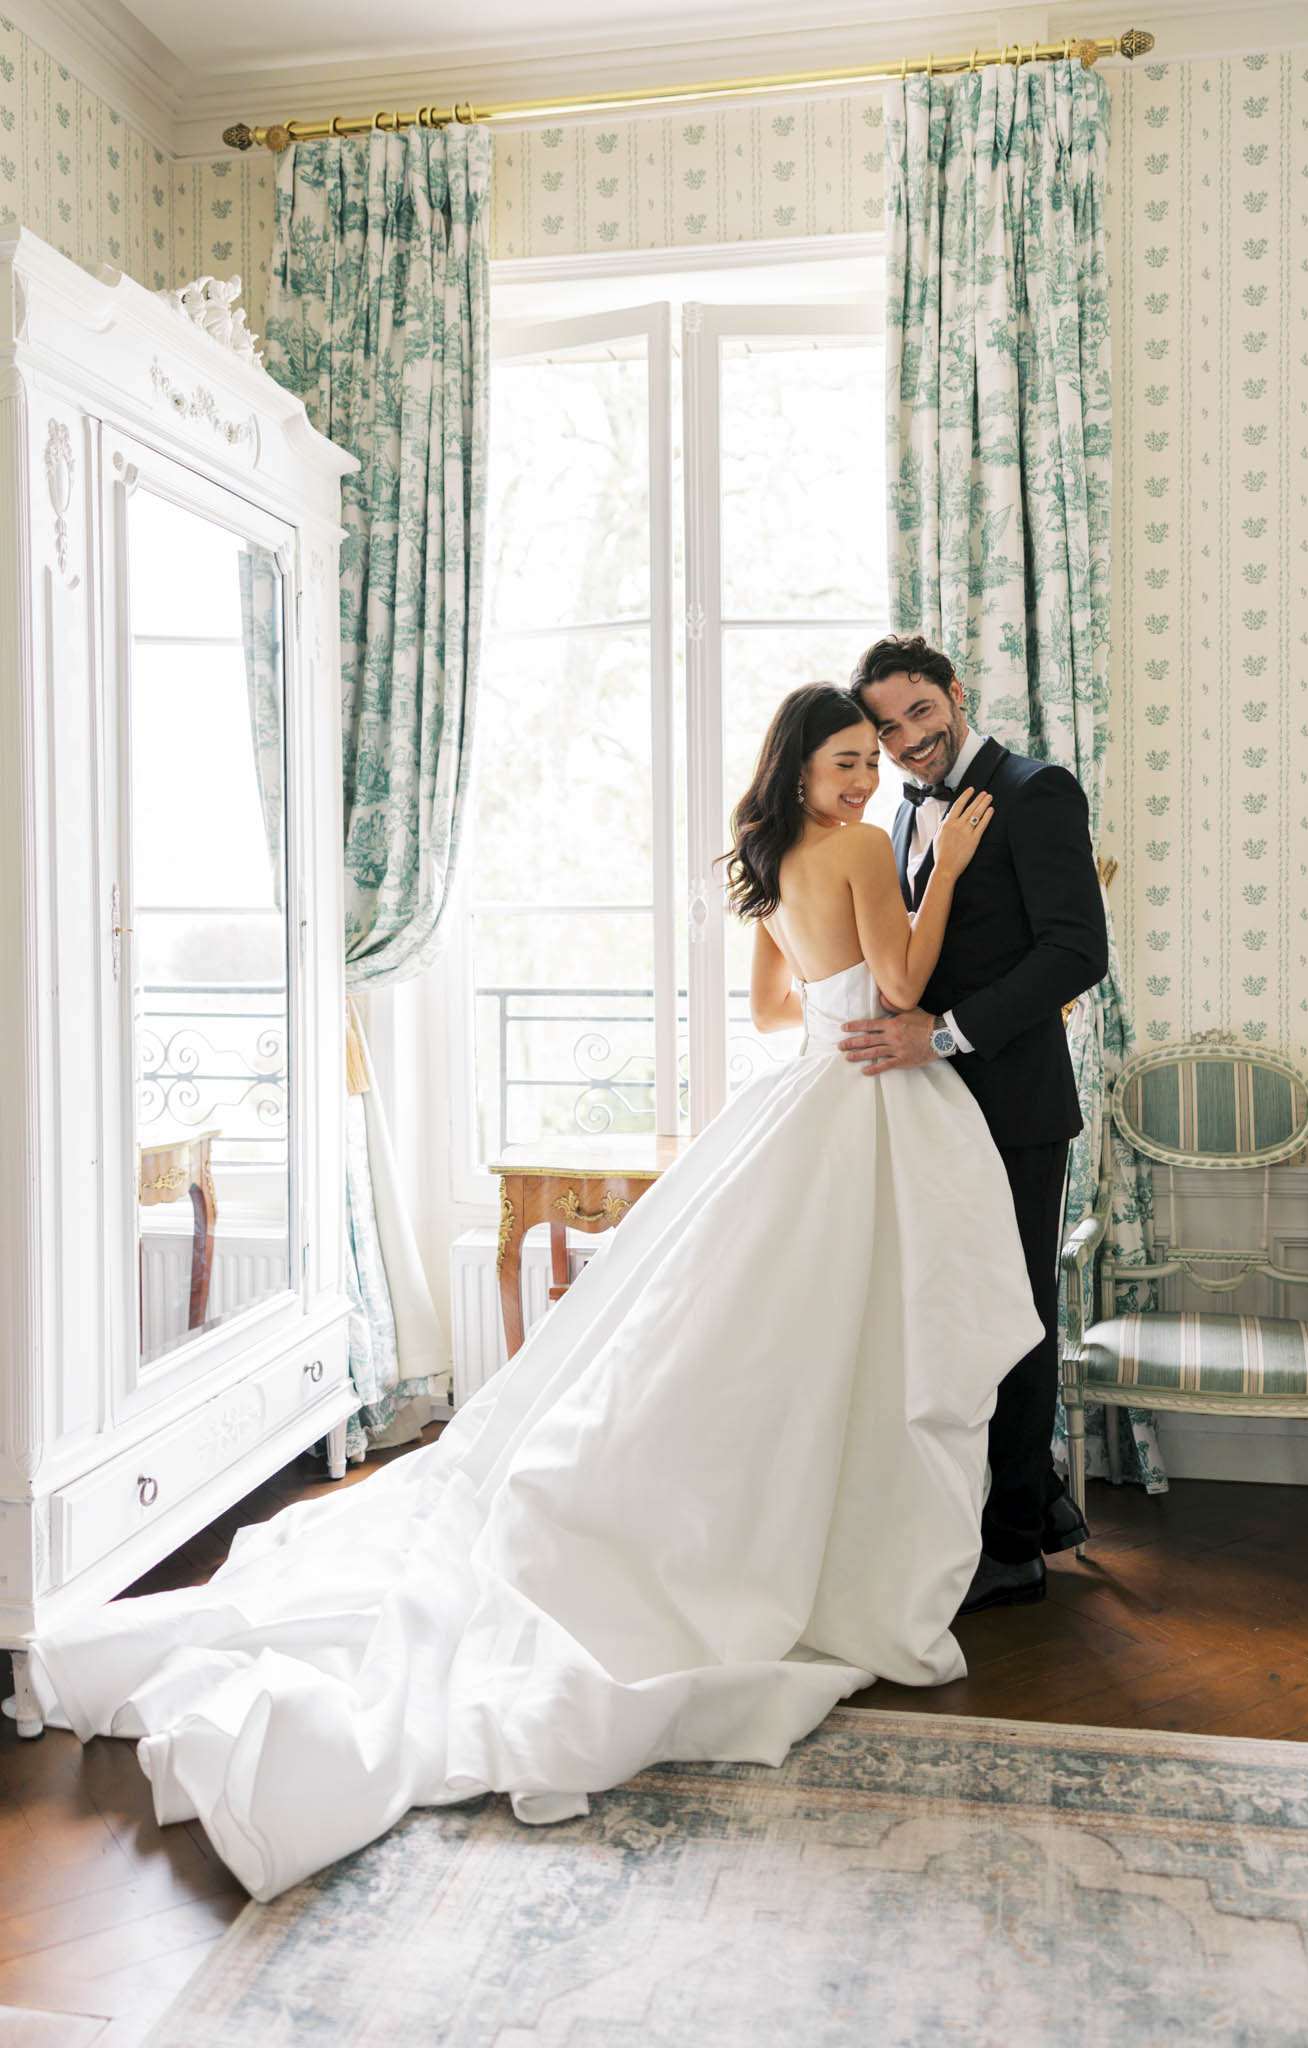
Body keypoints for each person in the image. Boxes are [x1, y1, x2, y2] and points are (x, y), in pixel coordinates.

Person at [19, 684, 1040, 1904]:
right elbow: (903, 976)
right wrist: (948, 872)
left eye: (871, 761)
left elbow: (778, 1007)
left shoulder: (773, 862)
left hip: (806, 1088)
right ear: (802, 767)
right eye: (845, 761)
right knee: (854, 1338)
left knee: (768, 1338)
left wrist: (840, 988)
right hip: (868, 1090)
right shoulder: (874, 849)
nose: (865, 779)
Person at [844, 635, 1109, 1614]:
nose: (909, 737)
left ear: (956, 694)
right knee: (948, 1313)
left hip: (1013, 1104)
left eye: (920, 710)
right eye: (886, 726)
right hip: (928, 1110)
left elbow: (1078, 950)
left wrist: (944, 1032)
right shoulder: (896, 812)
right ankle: (1018, 1502)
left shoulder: (1037, 789)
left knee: (1016, 1315)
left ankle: (1013, 1549)